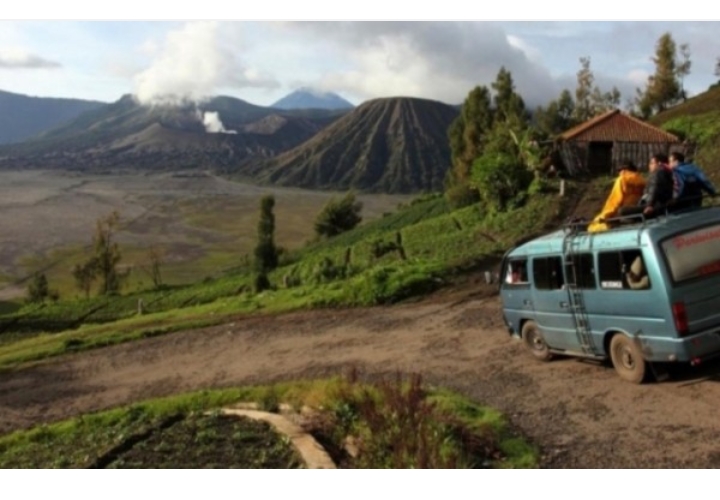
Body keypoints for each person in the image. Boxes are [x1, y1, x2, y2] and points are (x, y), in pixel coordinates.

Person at [587, 160, 646, 233]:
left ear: (623, 170)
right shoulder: (642, 180)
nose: (619, 173)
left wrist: (603, 216)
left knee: (593, 227)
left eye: (619, 171)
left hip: (622, 213)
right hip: (636, 212)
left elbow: (615, 201)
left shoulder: (622, 179)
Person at [618, 153, 674, 220]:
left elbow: (655, 189)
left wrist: (650, 205)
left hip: (655, 205)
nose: (649, 166)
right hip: (660, 204)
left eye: (652, 163)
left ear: (659, 163)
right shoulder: (668, 172)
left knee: (622, 210)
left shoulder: (658, 172)